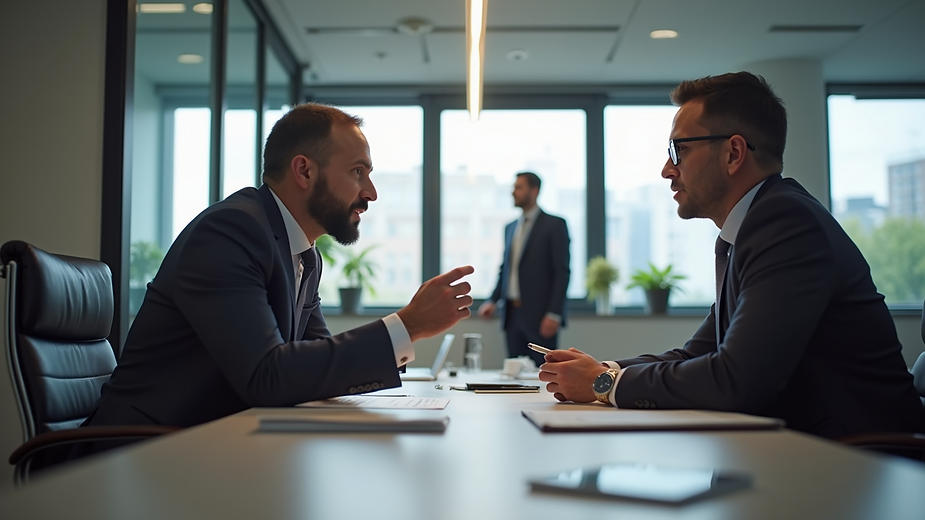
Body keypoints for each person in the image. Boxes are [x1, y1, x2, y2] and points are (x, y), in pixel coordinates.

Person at [539, 72, 925, 439]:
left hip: (862, 465)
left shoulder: (786, 222)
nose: (666, 170)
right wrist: (601, 369)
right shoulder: (752, 229)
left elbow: (736, 380)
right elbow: (696, 353)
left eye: (680, 150)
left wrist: (602, 384)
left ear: (734, 153)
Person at [83, 103, 474, 431]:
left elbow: (312, 364)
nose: (370, 192)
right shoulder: (231, 232)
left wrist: (405, 332)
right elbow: (266, 377)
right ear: (304, 171)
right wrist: (408, 326)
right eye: (358, 172)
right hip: (141, 451)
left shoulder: (303, 254)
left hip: (218, 444)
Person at [478, 172, 570, 367]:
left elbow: (561, 272)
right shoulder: (510, 227)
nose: (513, 192)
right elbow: (506, 269)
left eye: (519, 187)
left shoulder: (554, 225)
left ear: (534, 191)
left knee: (545, 373)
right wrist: (492, 301)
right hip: (512, 315)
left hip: (540, 316)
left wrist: (554, 313)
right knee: (513, 375)